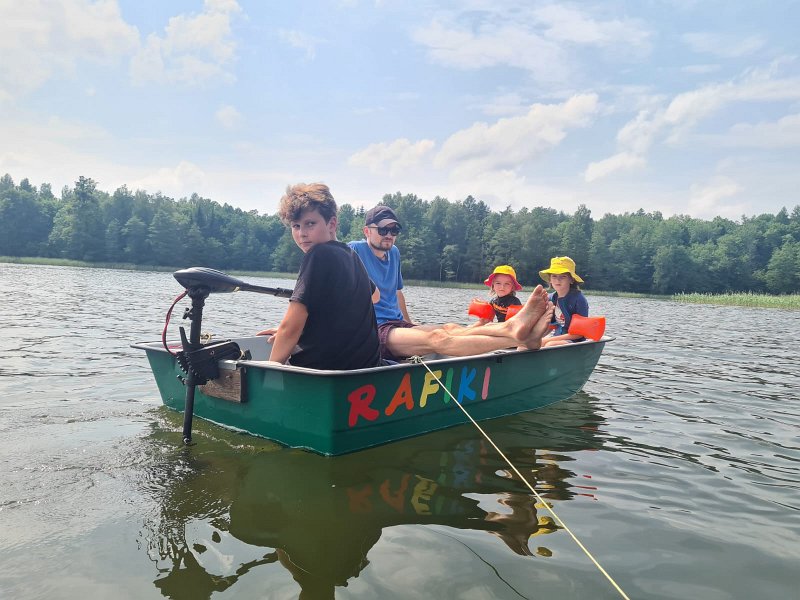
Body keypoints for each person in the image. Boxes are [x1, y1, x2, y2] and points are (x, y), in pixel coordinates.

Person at [349, 205, 554, 361]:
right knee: (438, 338)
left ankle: (518, 332)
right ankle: (517, 334)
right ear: (367, 231)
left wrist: (410, 325)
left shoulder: (394, 253)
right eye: (383, 230)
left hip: (397, 324)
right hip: (375, 329)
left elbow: (397, 294)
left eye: (394, 230)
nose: (389, 235)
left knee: (451, 327)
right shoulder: (353, 251)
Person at [257, 183, 381, 370]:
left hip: (320, 372)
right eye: (296, 226)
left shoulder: (318, 254)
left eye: (310, 224)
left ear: (332, 224)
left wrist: (268, 374)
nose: (302, 234)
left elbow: (290, 328)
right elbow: (376, 296)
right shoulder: (350, 255)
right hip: (364, 370)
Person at [539, 256, 589, 347]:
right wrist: (536, 338)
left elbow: (579, 333)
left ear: (571, 279)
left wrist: (547, 340)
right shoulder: (551, 298)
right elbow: (550, 325)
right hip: (557, 337)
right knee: (525, 345)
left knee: (550, 344)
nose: (558, 280)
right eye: (554, 276)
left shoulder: (579, 299)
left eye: (563, 276)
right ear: (550, 279)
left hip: (575, 341)